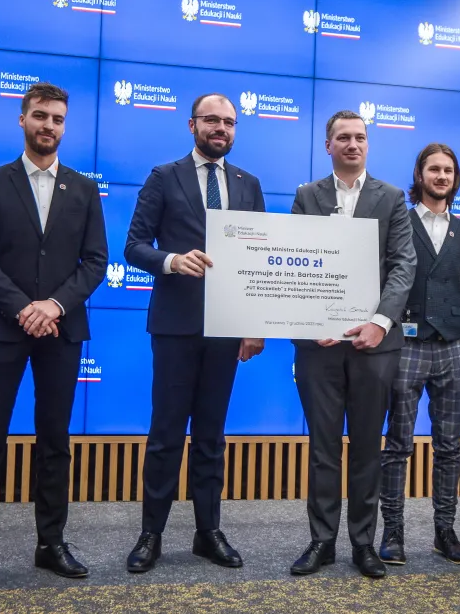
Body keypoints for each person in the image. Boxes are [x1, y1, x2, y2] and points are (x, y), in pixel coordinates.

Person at [0, 82, 108, 588]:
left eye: (58, 118)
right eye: (40, 116)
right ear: (22, 120)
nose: (49, 125)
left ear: (65, 126)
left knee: (55, 441)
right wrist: (25, 308)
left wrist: (55, 305)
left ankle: (51, 544)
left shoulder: (84, 189)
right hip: (3, 328)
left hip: (62, 330)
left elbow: (96, 262)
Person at [124, 93, 266, 574]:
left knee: (211, 436)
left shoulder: (250, 184)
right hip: (176, 325)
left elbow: (260, 263)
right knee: (166, 434)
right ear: (192, 125)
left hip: (227, 329)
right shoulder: (164, 176)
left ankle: (209, 532)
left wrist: (255, 325)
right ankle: (151, 535)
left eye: (228, 122)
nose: (220, 128)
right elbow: (134, 245)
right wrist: (171, 261)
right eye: (211, 120)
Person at [289, 110, 416, 579]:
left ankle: (364, 543)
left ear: (368, 145)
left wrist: (380, 323)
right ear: (328, 145)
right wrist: (311, 316)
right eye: (343, 137)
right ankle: (322, 541)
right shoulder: (307, 196)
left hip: (374, 345)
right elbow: (297, 262)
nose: (353, 144)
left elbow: (403, 265)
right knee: (323, 447)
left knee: (366, 446)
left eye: (360, 137)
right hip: (319, 345)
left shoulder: (392, 197)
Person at [379, 143, 460, 567]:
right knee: (398, 444)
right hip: (407, 346)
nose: (441, 176)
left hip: (454, 346)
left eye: (448, 171)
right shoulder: (399, 223)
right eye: (433, 169)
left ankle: (445, 532)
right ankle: (393, 533)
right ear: (419, 175)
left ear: (455, 179)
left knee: (450, 447)